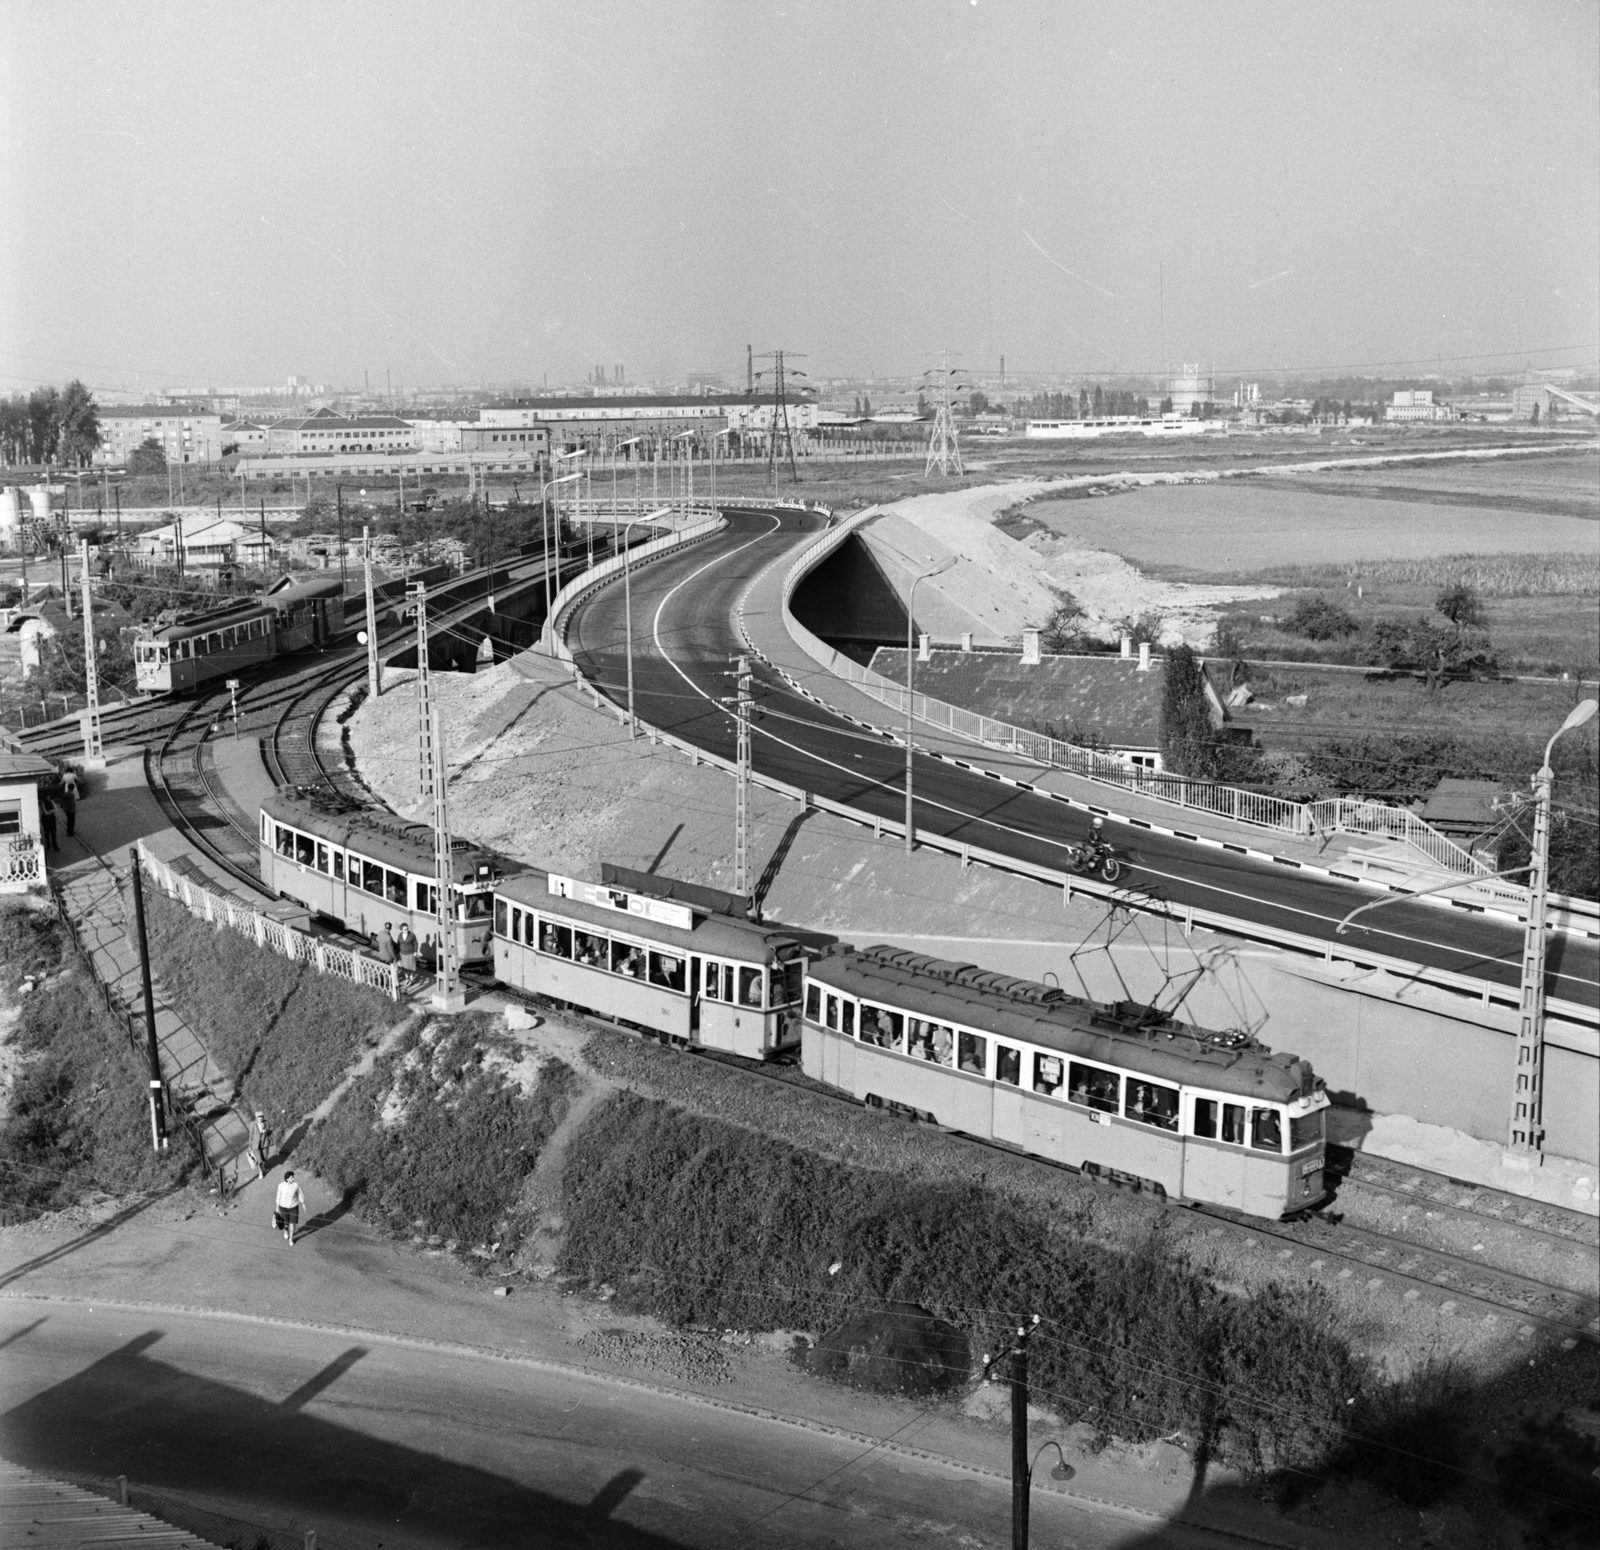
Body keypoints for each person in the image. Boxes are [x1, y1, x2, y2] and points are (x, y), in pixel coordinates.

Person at [274, 1171, 307, 1245]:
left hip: (293, 1207)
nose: (293, 1179)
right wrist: (277, 1207)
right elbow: (278, 1197)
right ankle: (286, 1231)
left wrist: (303, 1204)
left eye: (293, 1177)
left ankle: (291, 1239)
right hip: (283, 1207)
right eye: (292, 1177)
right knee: (286, 1224)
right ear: (287, 1179)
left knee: (292, 1223)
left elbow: (300, 1194)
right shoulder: (281, 1186)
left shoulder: (296, 1185)